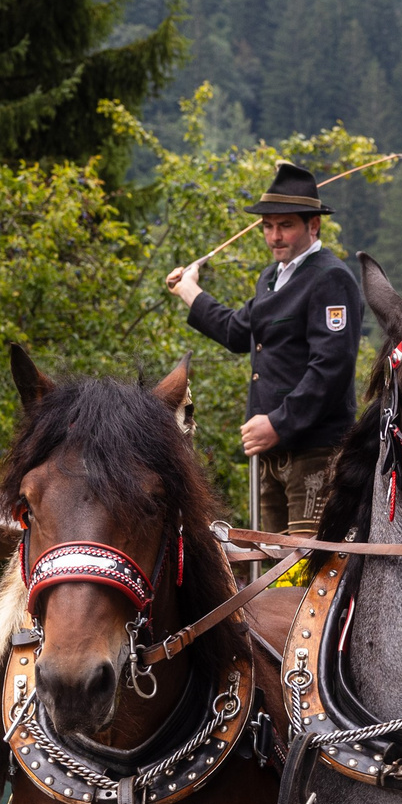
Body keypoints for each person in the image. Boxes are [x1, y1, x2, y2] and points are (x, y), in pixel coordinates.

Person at [167, 162, 364, 537]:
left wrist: (279, 423)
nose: (274, 236)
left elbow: (332, 367)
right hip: (269, 453)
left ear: (313, 226)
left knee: (309, 566)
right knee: (273, 565)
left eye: (285, 225)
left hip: (315, 453)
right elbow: (238, 331)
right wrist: (190, 291)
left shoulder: (331, 278)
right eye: (268, 226)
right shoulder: (271, 278)